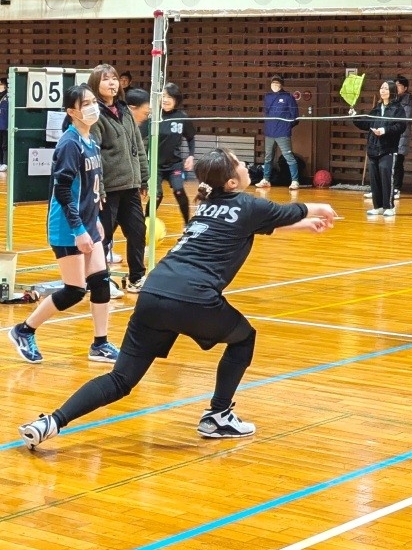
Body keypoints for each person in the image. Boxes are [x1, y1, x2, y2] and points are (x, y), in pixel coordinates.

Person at [17, 148, 337, 450]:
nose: (244, 165)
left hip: (154, 294)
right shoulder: (249, 205)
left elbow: (257, 225)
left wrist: (304, 226)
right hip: (194, 299)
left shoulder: (209, 207)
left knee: (120, 379)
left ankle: (51, 422)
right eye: (239, 163)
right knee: (243, 339)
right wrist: (320, 209)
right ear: (231, 181)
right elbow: (293, 209)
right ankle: (218, 415)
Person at [7, 84, 120, 364]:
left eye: (94, 101)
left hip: (88, 222)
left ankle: (100, 344)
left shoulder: (90, 140)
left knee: (101, 282)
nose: (94, 106)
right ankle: (24, 330)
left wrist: (95, 221)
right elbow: (63, 190)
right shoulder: (69, 143)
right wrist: (80, 228)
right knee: (75, 291)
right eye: (86, 103)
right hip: (68, 226)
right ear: (72, 111)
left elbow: (91, 185)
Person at [90, 64, 149, 293]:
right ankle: (100, 281)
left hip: (131, 187)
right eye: (106, 79)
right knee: (103, 238)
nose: (112, 83)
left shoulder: (124, 110)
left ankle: (137, 277)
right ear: (96, 84)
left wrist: (143, 178)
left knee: (137, 232)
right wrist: (100, 188)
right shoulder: (95, 115)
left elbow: (137, 147)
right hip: (108, 189)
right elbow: (93, 154)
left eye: (114, 78)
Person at [353, 79, 406, 216]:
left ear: (392, 91)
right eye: (382, 88)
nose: (383, 91)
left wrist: (384, 131)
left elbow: (400, 126)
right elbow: (366, 124)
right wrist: (355, 117)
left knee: (386, 177)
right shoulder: (376, 109)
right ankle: (378, 207)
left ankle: (389, 207)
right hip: (373, 149)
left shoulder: (397, 109)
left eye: (386, 88)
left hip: (388, 149)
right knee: (375, 179)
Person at [155, 83, 196, 224]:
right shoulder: (154, 116)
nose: (166, 100)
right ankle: (146, 224)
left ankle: (187, 223)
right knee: (156, 195)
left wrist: (191, 155)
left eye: (170, 97)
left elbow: (190, 138)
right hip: (155, 165)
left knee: (179, 191)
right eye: (164, 96)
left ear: (176, 100)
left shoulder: (182, 117)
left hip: (174, 165)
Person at [255, 75, 300, 190]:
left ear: (281, 84)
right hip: (269, 132)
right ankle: (266, 179)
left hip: (283, 132)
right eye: (273, 83)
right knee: (268, 157)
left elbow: (295, 116)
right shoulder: (268, 97)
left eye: (277, 83)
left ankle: (295, 181)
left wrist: (286, 126)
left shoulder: (288, 97)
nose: (275, 85)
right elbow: (266, 113)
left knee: (288, 156)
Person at [393, 75, 412, 197]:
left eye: (399, 86)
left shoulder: (407, 100)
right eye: (395, 85)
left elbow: (405, 118)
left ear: (405, 87)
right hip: (392, 133)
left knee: (397, 162)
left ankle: (397, 188)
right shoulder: (394, 98)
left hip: (401, 135)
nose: (397, 88)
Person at [0, 76, 8, 172]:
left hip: (5, 124)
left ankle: (5, 162)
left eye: (1, 84)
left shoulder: (8, 96)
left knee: (4, 145)